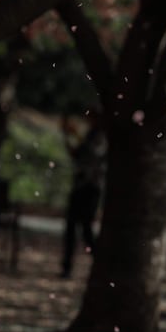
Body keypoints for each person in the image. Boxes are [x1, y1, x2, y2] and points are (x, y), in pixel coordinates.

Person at [60, 109, 107, 278]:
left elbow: (90, 155)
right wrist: (67, 136)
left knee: (86, 229)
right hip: (81, 186)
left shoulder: (100, 136)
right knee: (73, 228)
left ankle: (100, 266)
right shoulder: (91, 135)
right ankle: (67, 267)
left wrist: (74, 135)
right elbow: (77, 155)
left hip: (90, 187)